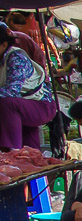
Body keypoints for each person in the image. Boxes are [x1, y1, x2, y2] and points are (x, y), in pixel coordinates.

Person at [0, 22, 54, 152]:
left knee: (5, 103)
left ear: (4, 45)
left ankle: (11, 151)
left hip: (41, 106)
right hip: (22, 106)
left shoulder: (16, 57)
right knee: (30, 150)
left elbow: (11, 91)